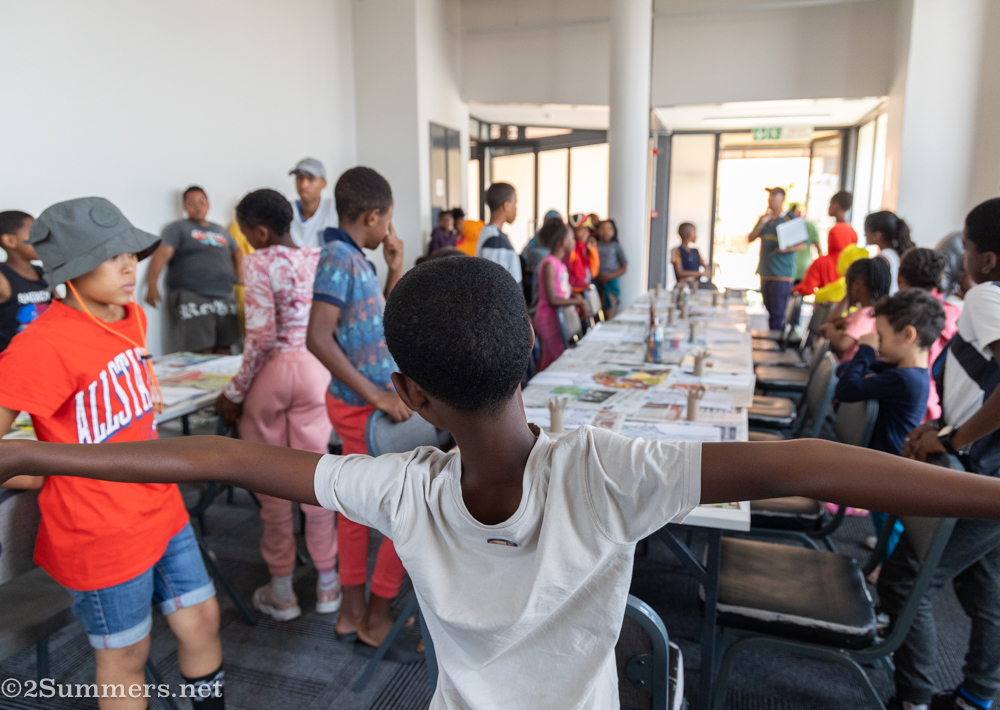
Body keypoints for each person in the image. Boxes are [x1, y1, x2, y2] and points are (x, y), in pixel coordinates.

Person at [9, 257, 1000, 709]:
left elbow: (216, 456)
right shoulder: (608, 469)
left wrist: (37, 455)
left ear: (409, 393)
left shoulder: (401, 490)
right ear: (534, 349)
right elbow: (814, 462)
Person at [0, 198, 225, 710]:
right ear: (70, 269)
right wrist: (38, 473)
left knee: (203, 620)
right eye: (111, 256)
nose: (130, 265)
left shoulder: (130, 316)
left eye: (131, 251)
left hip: (161, 505)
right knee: (127, 656)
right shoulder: (42, 344)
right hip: (99, 528)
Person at [893, 197, 1000, 710]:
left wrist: (954, 439)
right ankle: (979, 695)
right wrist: (948, 427)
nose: (963, 259)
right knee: (986, 588)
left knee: (909, 575)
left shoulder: (986, 297)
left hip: (982, 470)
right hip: (984, 463)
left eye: (970, 244)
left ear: (989, 259)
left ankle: (912, 697)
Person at [304, 166, 416, 657]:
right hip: (363, 409)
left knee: (355, 507)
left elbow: (369, 325)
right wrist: (378, 396)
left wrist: (394, 268)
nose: (388, 232)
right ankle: (374, 613)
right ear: (373, 216)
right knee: (404, 505)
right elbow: (318, 336)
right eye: (386, 223)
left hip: (364, 405)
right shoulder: (338, 257)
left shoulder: (355, 260)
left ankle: (354, 612)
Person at [214, 190, 340, 622]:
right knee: (315, 479)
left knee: (270, 485)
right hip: (313, 371)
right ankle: (328, 586)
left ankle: (283, 591)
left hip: (273, 374)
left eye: (248, 233)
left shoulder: (259, 261)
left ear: (260, 231)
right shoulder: (317, 256)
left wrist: (234, 393)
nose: (248, 241)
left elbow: (262, 338)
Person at [834, 289, 945, 558]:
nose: (876, 342)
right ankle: (885, 550)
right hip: (885, 457)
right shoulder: (902, 371)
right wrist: (867, 357)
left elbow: (846, 389)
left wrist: (864, 351)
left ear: (907, 335)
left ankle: (886, 560)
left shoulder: (904, 380)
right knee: (881, 515)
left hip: (890, 463)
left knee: (887, 517)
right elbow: (844, 374)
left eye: (880, 335)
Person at [145, 186, 243, 354]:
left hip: (225, 295)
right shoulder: (178, 228)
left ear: (208, 205)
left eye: (201, 202)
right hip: (193, 295)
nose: (198, 206)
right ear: (184, 206)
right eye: (192, 203)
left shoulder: (220, 230)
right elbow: (162, 254)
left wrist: (240, 274)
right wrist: (152, 285)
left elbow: (237, 250)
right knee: (201, 350)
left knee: (226, 348)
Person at [897, 248, 962, 422]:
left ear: (899, 278)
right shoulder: (954, 314)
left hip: (905, 408)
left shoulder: (900, 318)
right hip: (942, 411)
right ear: (940, 279)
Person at [533, 218, 589, 371]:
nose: (574, 241)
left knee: (551, 359)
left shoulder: (560, 264)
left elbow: (563, 293)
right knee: (555, 362)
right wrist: (579, 302)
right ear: (562, 242)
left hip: (560, 317)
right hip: (549, 319)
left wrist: (576, 298)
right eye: (571, 238)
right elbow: (552, 299)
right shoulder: (549, 264)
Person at [748, 187, 806, 330]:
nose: (771, 201)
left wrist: (786, 249)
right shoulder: (764, 219)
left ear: (782, 200)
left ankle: (775, 345)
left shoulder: (790, 219)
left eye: (774, 198)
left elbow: (802, 245)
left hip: (781, 275)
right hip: (765, 273)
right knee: (769, 310)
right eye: (769, 198)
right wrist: (762, 222)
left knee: (778, 313)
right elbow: (750, 238)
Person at [819, 257, 892, 361]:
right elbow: (833, 321)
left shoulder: (865, 315)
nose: (846, 290)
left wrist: (828, 329)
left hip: (850, 369)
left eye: (847, 285)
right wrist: (849, 295)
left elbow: (843, 344)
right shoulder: (868, 312)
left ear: (857, 285)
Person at [0, 210, 50, 353]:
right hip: (13, 361)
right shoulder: (3, 278)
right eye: (34, 233)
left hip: (44, 353)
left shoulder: (43, 273)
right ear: (10, 241)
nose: (41, 239)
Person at [794, 192, 858, 296]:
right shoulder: (852, 231)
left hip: (831, 278)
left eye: (830, 204)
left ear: (836, 205)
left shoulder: (836, 230)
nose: (828, 208)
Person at [476, 183, 521, 283]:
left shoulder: (487, 232)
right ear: (506, 205)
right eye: (515, 203)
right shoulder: (495, 240)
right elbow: (495, 283)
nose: (516, 209)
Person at [289, 157, 339, 248]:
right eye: (300, 178)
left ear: (324, 183)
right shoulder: (286, 210)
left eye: (311, 179)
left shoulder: (333, 209)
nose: (304, 185)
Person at [865, 210, 915, 296]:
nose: (864, 234)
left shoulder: (882, 259)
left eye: (866, 230)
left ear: (877, 235)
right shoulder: (899, 254)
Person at [594, 219, 628, 317]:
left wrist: (608, 276)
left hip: (611, 282)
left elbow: (624, 267)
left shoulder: (616, 246)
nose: (606, 231)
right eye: (603, 229)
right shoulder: (594, 245)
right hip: (596, 281)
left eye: (609, 229)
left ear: (614, 232)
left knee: (608, 312)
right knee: (596, 311)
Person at [566, 213, 600, 294]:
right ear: (572, 231)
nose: (586, 232)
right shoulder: (571, 249)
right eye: (581, 229)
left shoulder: (586, 248)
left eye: (587, 229)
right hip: (573, 292)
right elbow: (569, 275)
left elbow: (593, 272)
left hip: (584, 289)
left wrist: (592, 250)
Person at [788, 203, 821, 284]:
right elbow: (819, 248)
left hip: (788, 268)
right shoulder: (809, 225)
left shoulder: (787, 225)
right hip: (803, 268)